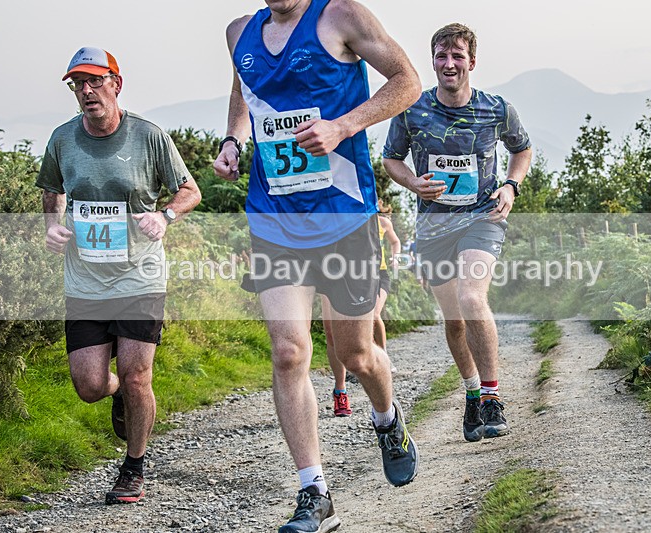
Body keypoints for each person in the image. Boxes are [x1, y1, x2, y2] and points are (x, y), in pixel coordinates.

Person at [213, 2, 421, 531]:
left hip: (343, 217)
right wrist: (234, 139)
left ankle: (387, 420)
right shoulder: (239, 32)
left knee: (355, 354)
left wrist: (343, 126)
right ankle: (314, 491)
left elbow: (407, 81)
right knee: (289, 352)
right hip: (274, 218)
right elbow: (244, 91)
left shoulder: (341, 16)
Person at [36, 47, 201, 505]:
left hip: (140, 277)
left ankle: (133, 467)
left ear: (116, 84)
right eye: (78, 84)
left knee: (136, 375)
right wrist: (52, 225)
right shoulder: (62, 139)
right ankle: (118, 395)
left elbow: (190, 190)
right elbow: (52, 189)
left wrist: (164, 216)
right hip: (85, 280)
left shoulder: (148, 136)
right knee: (90, 385)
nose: (86, 91)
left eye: (95, 81)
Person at [383, 23, 532, 443]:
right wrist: (413, 183)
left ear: (472, 62)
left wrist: (510, 185)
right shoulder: (412, 110)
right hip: (434, 226)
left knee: (472, 298)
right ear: (433, 61)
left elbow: (522, 149)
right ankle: (471, 393)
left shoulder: (496, 109)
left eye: (458, 56)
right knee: (454, 321)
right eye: (442, 56)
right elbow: (391, 159)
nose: (449, 64)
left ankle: (491, 396)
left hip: (482, 218)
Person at [326, 199, 401, 417]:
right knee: (330, 331)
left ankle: (382, 358)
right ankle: (340, 390)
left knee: (375, 314)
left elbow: (395, 242)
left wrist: (396, 258)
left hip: (377, 274)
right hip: (338, 270)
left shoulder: (383, 222)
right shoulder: (338, 215)